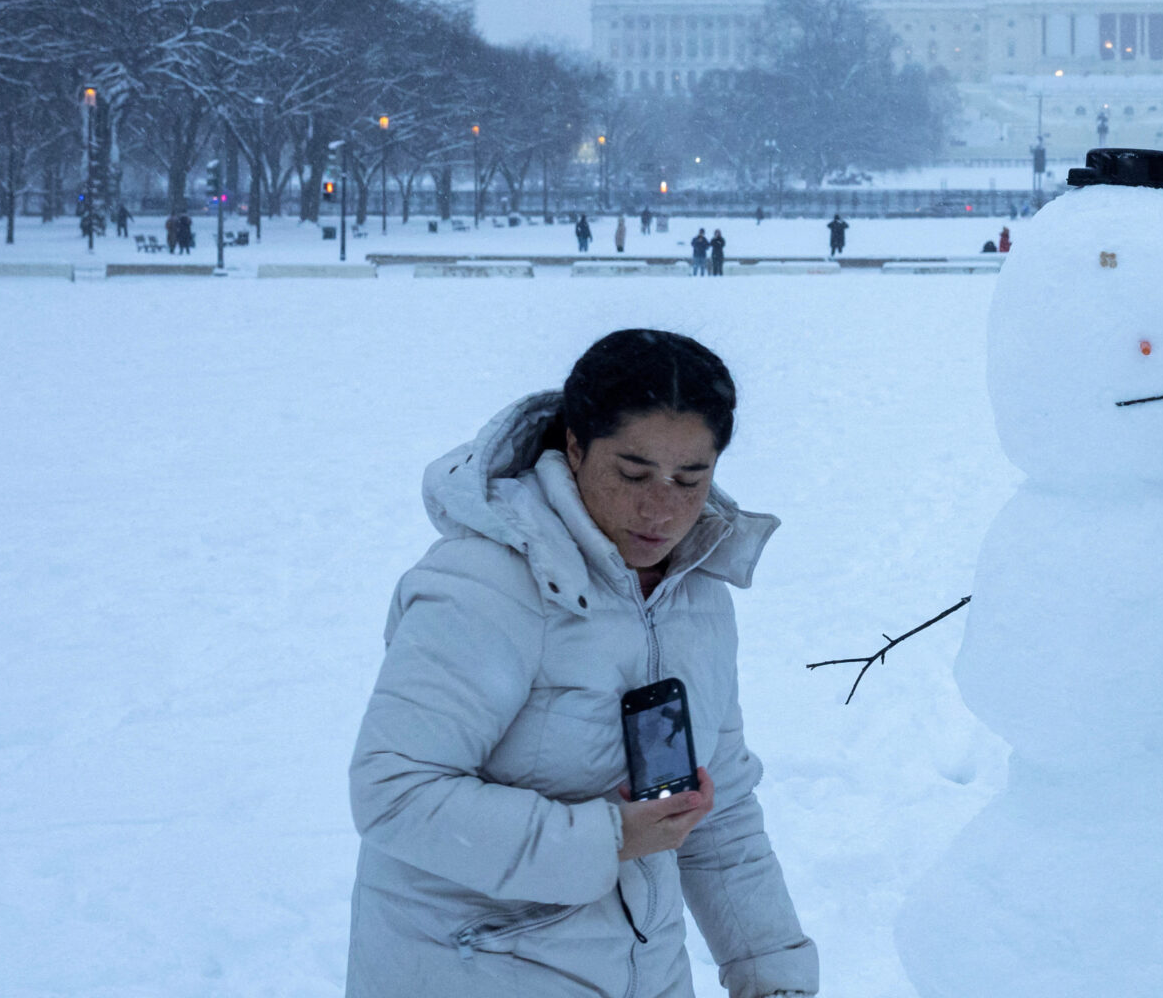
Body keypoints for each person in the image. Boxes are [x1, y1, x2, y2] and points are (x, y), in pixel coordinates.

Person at [345, 330, 820, 998]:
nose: (662, 509)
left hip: (643, 973)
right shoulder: (485, 583)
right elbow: (393, 792)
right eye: (632, 474)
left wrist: (773, 975)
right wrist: (605, 839)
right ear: (573, 447)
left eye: (691, 479)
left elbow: (720, 807)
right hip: (472, 967)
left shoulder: (696, 592)